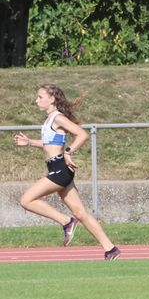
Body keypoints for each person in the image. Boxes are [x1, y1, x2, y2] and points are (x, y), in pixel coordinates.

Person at [13, 84, 121, 260]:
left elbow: (82, 134)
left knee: (26, 200)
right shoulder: (49, 119)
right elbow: (50, 144)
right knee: (81, 213)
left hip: (60, 170)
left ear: (52, 99)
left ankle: (66, 221)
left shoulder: (58, 118)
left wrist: (69, 152)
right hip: (57, 168)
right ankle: (111, 249)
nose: (36, 100)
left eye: (40, 97)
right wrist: (30, 142)